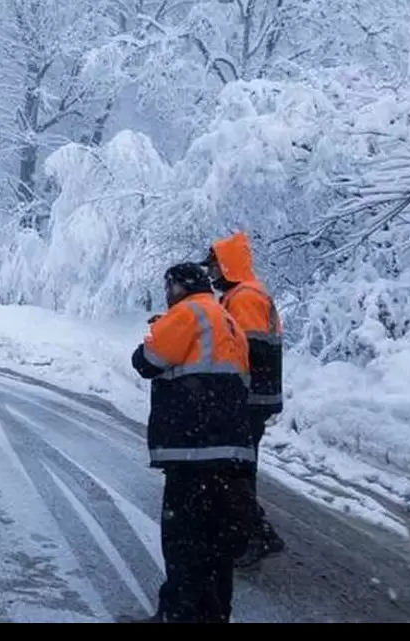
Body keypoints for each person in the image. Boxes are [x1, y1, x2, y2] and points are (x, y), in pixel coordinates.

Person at [127, 262, 256, 623]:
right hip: (231, 450)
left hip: (192, 448)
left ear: (179, 287)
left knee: (183, 539)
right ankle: (213, 615)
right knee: (218, 543)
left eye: (169, 288)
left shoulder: (188, 313)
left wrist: (155, 331)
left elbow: (147, 361)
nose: (167, 295)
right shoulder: (229, 321)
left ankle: (177, 614)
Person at [204, 232, 286, 568]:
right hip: (252, 397)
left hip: (250, 398)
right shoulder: (240, 294)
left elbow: (248, 351)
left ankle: (255, 535)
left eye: (213, 268)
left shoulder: (245, 297)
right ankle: (245, 532)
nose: (210, 275)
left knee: (235, 470)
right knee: (235, 467)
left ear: (228, 266)